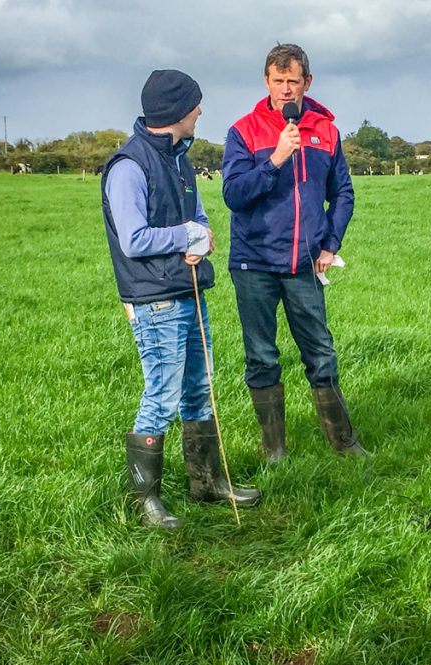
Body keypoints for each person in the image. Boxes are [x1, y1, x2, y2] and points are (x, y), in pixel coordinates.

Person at [101, 69, 261, 529]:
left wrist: (201, 234)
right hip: (156, 300)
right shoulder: (129, 167)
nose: (200, 111)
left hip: (189, 291)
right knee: (162, 395)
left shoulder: (180, 159)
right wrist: (184, 235)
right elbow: (133, 239)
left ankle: (206, 482)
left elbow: (197, 216)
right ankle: (145, 500)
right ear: (175, 111)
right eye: (195, 105)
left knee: (199, 389)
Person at [222, 44, 367, 462]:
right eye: (278, 81)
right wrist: (276, 159)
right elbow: (233, 194)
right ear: (266, 82)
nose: (286, 90)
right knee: (262, 357)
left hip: (305, 264)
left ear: (308, 82)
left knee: (320, 353)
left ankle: (344, 442)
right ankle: (275, 452)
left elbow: (342, 193)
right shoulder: (243, 131)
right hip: (254, 263)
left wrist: (330, 243)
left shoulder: (327, 131)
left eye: (293, 81)